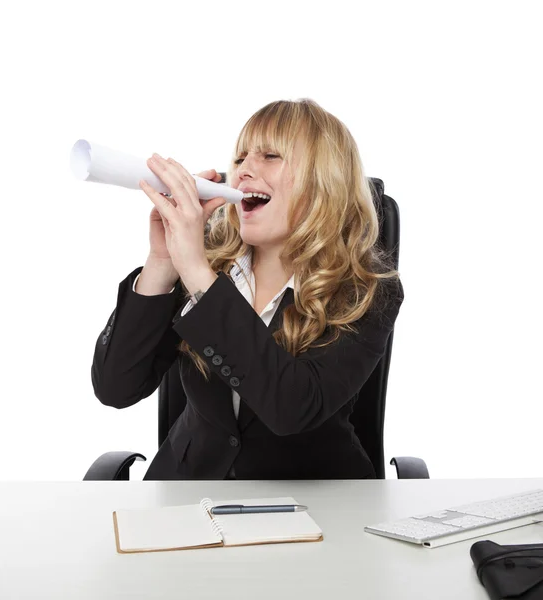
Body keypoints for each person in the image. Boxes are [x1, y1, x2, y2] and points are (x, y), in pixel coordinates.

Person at [91, 98, 404, 480]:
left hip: (312, 504)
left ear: (325, 181)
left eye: (270, 155)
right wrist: (163, 263)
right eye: (240, 159)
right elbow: (116, 387)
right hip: (190, 492)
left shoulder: (368, 290)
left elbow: (291, 408)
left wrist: (196, 272)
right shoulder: (207, 263)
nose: (243, 172)